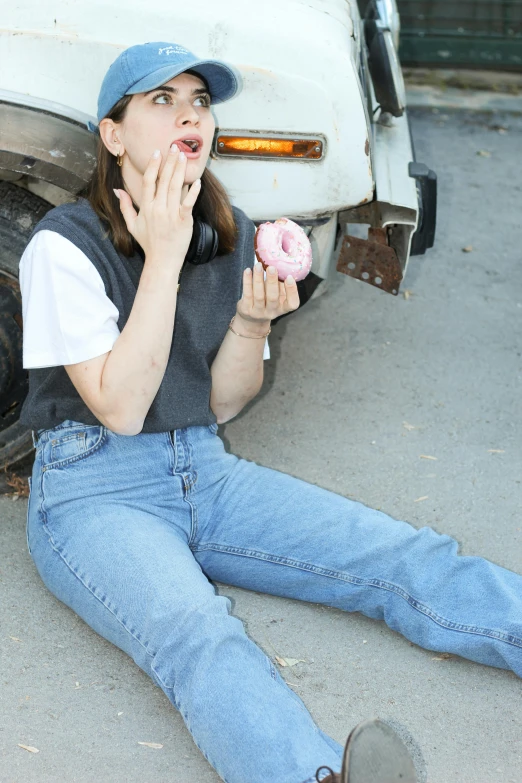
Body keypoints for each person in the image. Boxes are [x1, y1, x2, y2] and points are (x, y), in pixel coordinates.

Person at [19, 41, 521, 783]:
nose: (189, 114)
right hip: (94, 489)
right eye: (162, 100)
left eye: (199, 102)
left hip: (203, 468)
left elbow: (221, 401)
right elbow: (120, 407)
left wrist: (252, 326)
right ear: (112, 133)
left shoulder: (226, 230)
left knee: (400, 555)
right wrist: (160, 257)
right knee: (201, 636)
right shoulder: (64, 246)